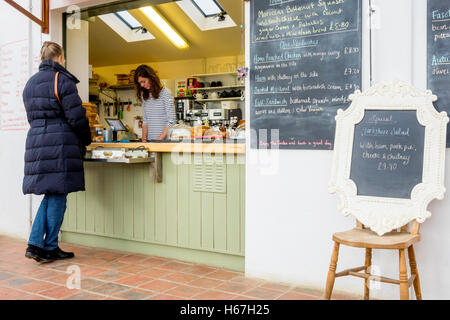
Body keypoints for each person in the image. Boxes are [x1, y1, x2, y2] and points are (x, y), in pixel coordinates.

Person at [23, 41, 92, 263]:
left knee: (52, 192)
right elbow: (77, 116)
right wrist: (87, 139)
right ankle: (43, 245)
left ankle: (41, 245)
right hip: (60, 143)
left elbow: (32, 118)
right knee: (58, 193)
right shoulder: (62, 80)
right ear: (60, 57)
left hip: (37, 142)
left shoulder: (30, 83)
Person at [134, 64, 176, 141]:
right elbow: (145, 121)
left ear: (151, 77)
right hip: (151, 142)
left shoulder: (166, 93)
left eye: (143, 81)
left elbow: (171, 121)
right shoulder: (145, 96)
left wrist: (158, 140)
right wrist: (144, 140)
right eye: (140, 83)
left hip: (164, 142)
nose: (142, 85)